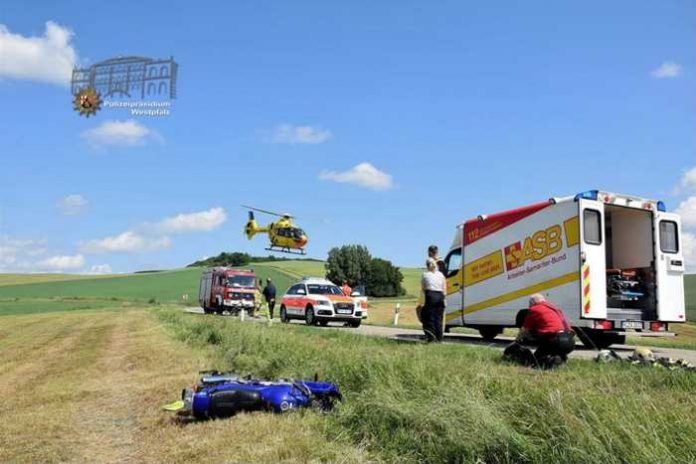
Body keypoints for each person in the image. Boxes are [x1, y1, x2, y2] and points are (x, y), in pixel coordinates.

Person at [511, 294, 575, 368]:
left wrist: (517, 340)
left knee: (535, 362)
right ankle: (561, 359)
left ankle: (552, 361)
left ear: (532, 302)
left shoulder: (534, 309)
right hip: (570, 342)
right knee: (550, 347)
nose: (529, 306)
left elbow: (525, 329)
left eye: (529, 304)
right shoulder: (555, 308)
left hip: (555, 340)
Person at [421, 258, 447, 342]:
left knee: (429, 317)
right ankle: (439, 338)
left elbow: (424, 288)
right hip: (440, 296)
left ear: (428, 266)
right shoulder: (441, 275)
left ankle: (431, 337)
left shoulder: (425, 274)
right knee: (439, 318)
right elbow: (444, 287)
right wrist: (444, 297)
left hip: (431, 295)